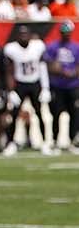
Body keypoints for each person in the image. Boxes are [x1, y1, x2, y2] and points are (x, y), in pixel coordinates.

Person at [3, 23, 51, 154]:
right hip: (20, 84)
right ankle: (11, 143)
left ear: (30, 36)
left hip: (35, 83)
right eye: (21, 34)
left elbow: (42, 67)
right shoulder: (12, 49)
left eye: (26, 34)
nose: (23, 37)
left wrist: (45, 87)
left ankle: (45, 142)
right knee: (13, 115)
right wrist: (11, 90)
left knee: (40, 114)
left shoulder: (38, 46)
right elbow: (9, 71)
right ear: (17, 36)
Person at [45, 22, 79, 150]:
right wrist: (64, 72)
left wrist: (73, 72)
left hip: (73, 85)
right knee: (56, 113)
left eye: (68, 32)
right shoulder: (53, 46)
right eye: (64, 32)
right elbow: (50, 65)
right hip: (57, 85)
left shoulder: (76, 47)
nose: (66, 34)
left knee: (74, 114)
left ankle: (72, 140)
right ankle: (54, 140)